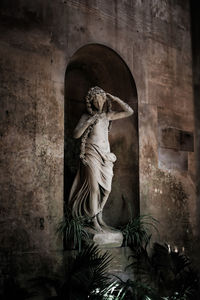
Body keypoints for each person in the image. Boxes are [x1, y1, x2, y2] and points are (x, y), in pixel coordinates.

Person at [68, 86, 134, 231]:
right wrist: (89, 122)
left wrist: (115, 99)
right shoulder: (87, 116)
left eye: (102, 98)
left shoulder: (107, 116)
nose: (99, 102)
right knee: (94, 189)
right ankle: (94, 222)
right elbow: (76, 135)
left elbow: (129, 111)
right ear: (91, 101)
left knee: (107, 190)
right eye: (96, 99)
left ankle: (98, 215)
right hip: (92, 153)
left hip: (106, 155)